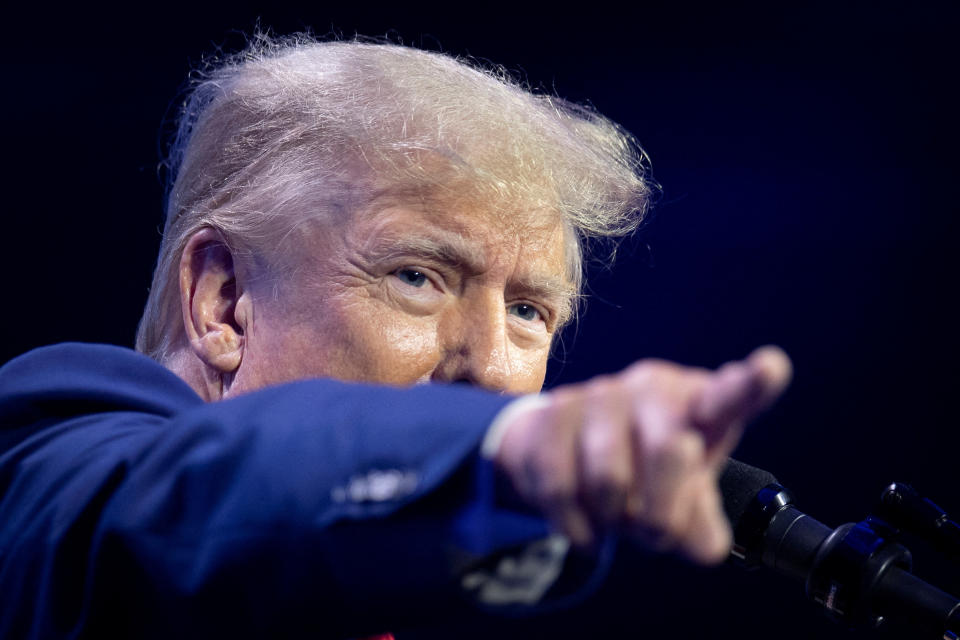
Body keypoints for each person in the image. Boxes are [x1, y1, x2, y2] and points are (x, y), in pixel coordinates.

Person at [0, 35, 791, 638]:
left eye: (527, 310)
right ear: (224, 299)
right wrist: (507, 446)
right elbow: (176, 500)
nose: (489, 368)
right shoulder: (52, 465)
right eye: (417, 277)